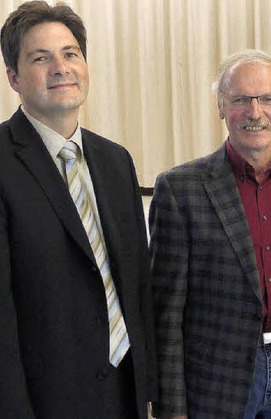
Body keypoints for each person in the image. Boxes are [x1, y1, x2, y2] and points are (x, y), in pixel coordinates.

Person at [149, 49, 271, 419]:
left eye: (267, 99)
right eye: (241, 100)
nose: (255, 112)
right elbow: (167, 312)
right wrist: (171, 407)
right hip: (216, 378)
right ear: (221, 107)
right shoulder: (180, 189)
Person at [0, 1, 157, 418]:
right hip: (44, 400)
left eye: (71, 54)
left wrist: (148, 389)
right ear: (13, 77)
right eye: (41, 58)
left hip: (124, 393)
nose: (61, 68)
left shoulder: (115, 160)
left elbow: (136, 285)